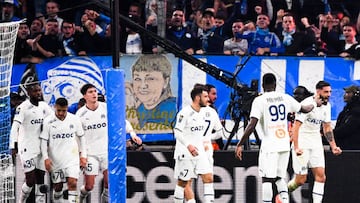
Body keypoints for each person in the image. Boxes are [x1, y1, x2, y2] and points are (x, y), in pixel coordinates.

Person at [235, 73, 319, 203]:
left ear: (263, 85)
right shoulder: (285, 97)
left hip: (270, 145)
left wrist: (240, 143)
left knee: (267, 179)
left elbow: (252, 124)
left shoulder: (260, 100)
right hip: (284, 143)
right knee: (280, 178)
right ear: (275, 84)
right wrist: (314, 103)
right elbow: (305, 109)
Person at [288, 81, 342, 203]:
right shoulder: (306, 104)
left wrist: (333, 146)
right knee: (301, 180)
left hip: (316, 143)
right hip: (302, 143)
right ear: (318, 91)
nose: (329, 95)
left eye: (330, 92)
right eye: (326, 92)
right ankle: (283, 193)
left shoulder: (327, 106)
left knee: (321, 176)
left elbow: (327, 127)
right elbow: (296, 127)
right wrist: (296, 147)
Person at [9, 83, 53, 203]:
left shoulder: (44, 106)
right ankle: (21, 201)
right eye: (35, 91)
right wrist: (13, 145)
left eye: (39, 90)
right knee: (30, 180)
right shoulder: (22, 108)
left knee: (40, 177)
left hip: (41, 148)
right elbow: (15, 127)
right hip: (27, 148)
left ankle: (40, 201)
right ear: (28, 93)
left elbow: (54, 120)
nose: (38, 93)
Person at [173, 85, 215, 203]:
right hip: (185, 153)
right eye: (205, 96)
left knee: (208, 177)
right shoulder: (184, 113)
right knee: (183, 182)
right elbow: (177, 131)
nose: (208, 99)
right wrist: (188, 145)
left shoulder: (204, 113)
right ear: (197, 98)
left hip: (199, 151)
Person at [40, 97, 87, 202]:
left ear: (67, 108)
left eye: (64, 110)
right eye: (59, 110)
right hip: (55, 159)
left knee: (73, 183)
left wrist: (83, 156)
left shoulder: (74, 119)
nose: (61, 113)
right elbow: (43, 141)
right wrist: (46, 158)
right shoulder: (48, 121)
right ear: (55, 107)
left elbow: (82, 138)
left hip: (72, 158)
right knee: (58, 187)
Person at [183, 84, 224, 203]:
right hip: (206, 147)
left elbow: (180, 132)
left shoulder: (188, 112)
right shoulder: (212, 112)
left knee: (187, 181)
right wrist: (207, 138)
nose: (208, 98)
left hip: (192, 148)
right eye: (205, 96)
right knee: (208, 180)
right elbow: (220, 133)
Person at [76, 84, 109, 203]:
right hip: (90, 154)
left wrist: (132, 134)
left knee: (109, 183)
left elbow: (123, 121)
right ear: (84, 96)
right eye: (90, 92)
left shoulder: (106, 108)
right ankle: (81, 196)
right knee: (89, 186)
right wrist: (82, 155)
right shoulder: (80, 114)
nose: (94, 94)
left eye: (95, 91)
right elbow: (78, 137)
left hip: (106, 151)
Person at [130, 54, 177, 129]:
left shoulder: (175, 107)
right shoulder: (138, 109)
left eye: (150, 79)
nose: (143, 86)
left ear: (165, 82)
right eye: (137, 79)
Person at [333, 85, 360, 150]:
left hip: (352, 149)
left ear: (355, 95)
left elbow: (346, 129)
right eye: (345, 93)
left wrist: (329, 134)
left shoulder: (357, 112)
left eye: (348, 93)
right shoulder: (346, 110)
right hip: (344, 146)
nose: (345, 95)